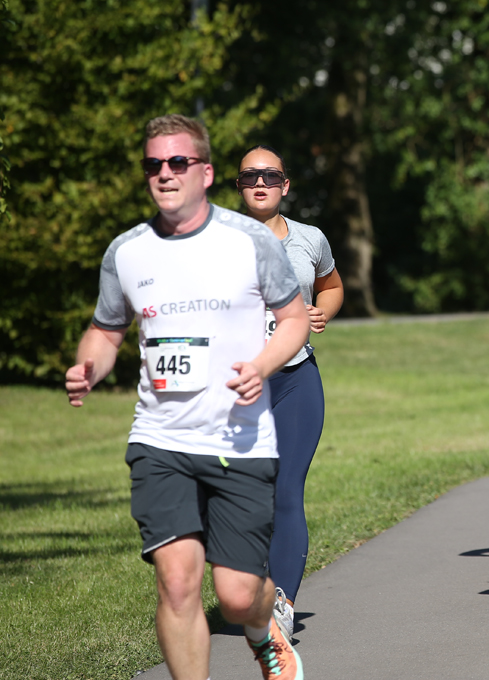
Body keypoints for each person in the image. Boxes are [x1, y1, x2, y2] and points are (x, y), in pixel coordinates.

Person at [64, 114, 310, 680]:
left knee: (236, 595)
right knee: (177, 583)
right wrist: (88, 366)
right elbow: (106, 329)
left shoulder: (248, 241)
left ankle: (261, 626)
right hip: (160, 439)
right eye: (154, 164)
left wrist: (264, 364)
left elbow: (294, 318)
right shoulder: (128, 251)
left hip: (240, 439)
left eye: (178, 162)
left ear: (205, 171)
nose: (165, 174)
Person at [237, 144, 344, 642]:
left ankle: (282, 601)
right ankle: (250, 585)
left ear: (285, 184)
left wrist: (323, 310)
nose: (260, 183)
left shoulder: (310, 238)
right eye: (249, 176)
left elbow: (332, 285)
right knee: (242, 494)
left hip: (296, 379)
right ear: (238, 186)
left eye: (270, 175)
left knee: (286, 488)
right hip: (236, 385)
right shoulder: (216, 239)